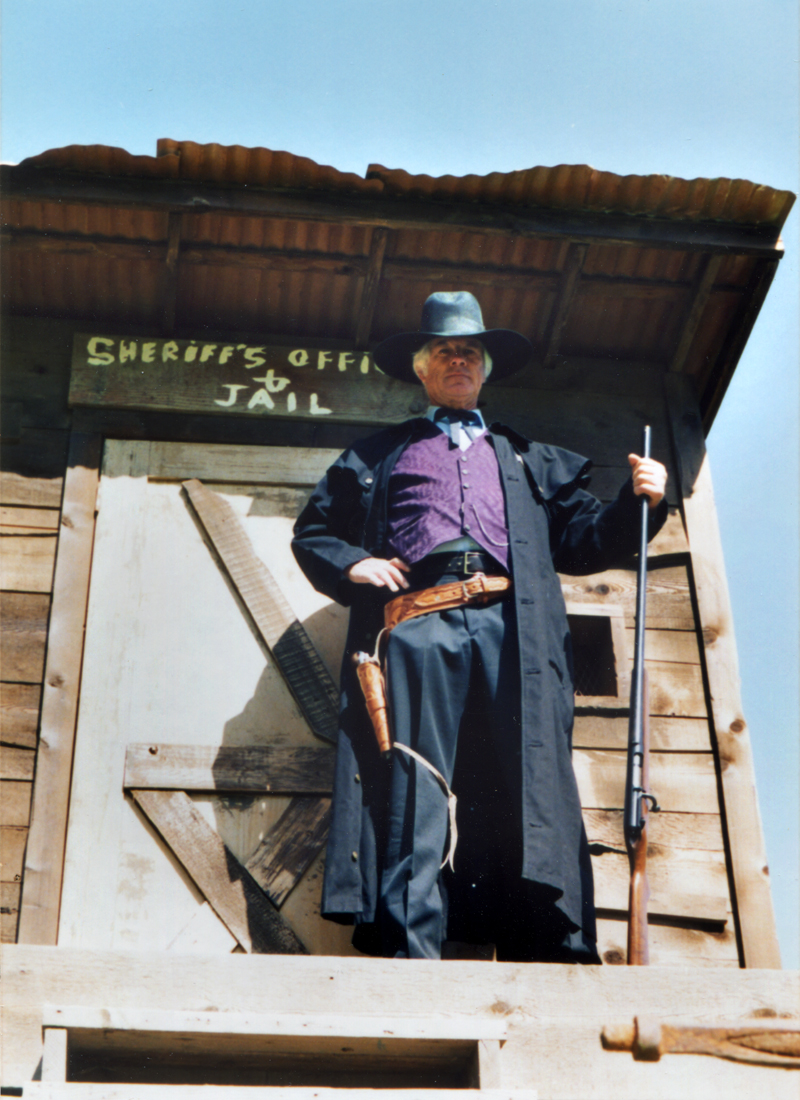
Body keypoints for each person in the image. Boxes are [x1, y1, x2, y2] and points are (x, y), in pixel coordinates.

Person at [292, 291, 668, 962]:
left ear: (485, 370)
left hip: (512, 634)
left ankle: (537, 955)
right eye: (444, 351)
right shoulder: (378, 457)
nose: (457, 359)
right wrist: (356, 564)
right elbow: (315, 531)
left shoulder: (527, 459)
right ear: (422, 369)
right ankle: (413, 960)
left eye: (469, 351)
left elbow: (586, 538)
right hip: (416, 630)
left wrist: (641, 501)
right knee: (415, 786)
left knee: (522, 782)